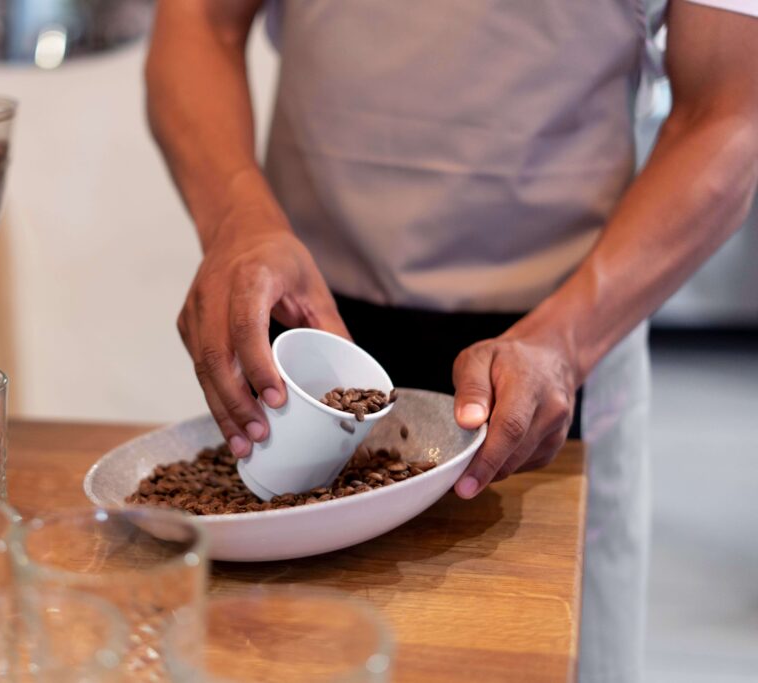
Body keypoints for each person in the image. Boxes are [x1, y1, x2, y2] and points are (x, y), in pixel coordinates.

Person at [145, 1, 758, 680]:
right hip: (305, 347)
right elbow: (200, 22)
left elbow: (730, 112)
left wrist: (566, 341)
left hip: (556, 358)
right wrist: (236, 215)